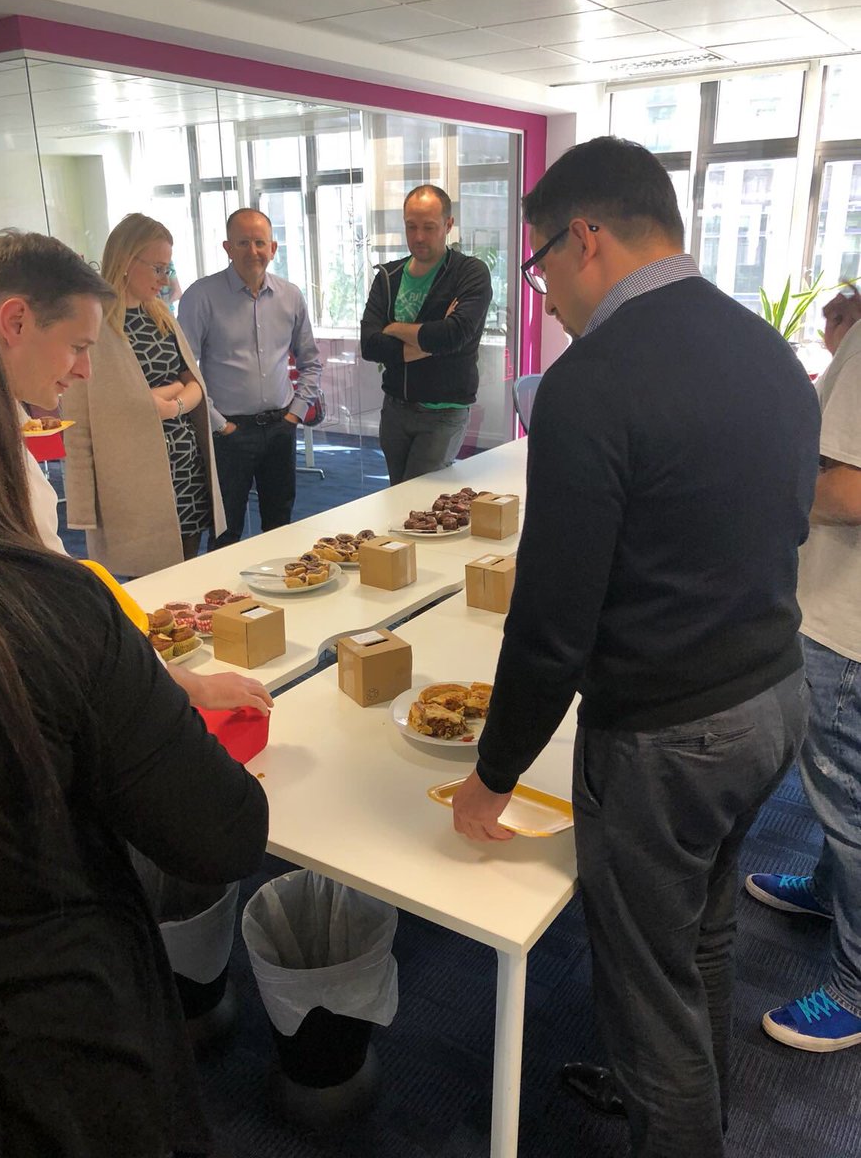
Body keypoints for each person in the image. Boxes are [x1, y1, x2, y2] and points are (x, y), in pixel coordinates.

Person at [450, 137, 821, 1158]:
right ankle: (696, 1106)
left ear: (586, 239)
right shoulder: (770, 351)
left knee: (644, 996)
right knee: (699, 939)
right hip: (775, 701)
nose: (548, 297)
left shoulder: (590, 385)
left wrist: (493, 773)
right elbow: (787, 519)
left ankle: (677, 1117)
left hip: (667, 739)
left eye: (541, 269)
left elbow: (554, 622)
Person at [0, 278, 269, 1157]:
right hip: (47, 1060)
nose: (82, 372)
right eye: (76, 350)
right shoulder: (39, 609)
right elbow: (224, 835)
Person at [0, 228, 273, 716]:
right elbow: (51, 588)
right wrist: (185, 686)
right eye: (77, 346)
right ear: (16, 321)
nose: (85, 370)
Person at [746, 285, 861, 1051]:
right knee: (835, 793)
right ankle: (825, 889)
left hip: (847, 623)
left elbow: (847, 490)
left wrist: (762, 479)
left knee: (850, 804)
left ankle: (856, 985)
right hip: (838, 611)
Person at [57, 213, 225, 574]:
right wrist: (84, 507)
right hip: (131, 481)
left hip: (183, 470)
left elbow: (195, 383)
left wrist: (171, 404)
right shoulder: (95, 324)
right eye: (158, 268)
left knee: (188, 577)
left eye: (169, 269)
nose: (165, 280)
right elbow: (80, 421)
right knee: (145, 593)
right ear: (127, 260)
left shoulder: (161, 314)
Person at [178, 207, 322, 544]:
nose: (253, 251)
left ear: (273, 248)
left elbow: (311, 361)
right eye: (243, 242)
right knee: (226, 531)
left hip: (279, 427)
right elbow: (185, 368)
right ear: (227, 247)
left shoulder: (291, 295)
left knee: (280, 524)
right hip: (228, 432)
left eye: (260, 242)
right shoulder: (201, 296)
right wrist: (218, 423)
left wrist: (295, 414)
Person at [359, 184, 492, 485]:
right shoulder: (388, 277)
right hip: (395, 409)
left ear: (448, 225)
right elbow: (370, 345)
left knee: (418, 501)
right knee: (397, 496)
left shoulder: (469, 274)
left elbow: (452, 336)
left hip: (444, 412)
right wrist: (429, 341)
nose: (418, 237)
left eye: (429, 227)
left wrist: (393, 329)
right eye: (411, 227)